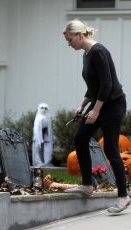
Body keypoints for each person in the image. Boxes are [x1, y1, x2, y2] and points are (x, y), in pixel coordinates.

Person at [63, 19, 130, 213]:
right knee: (80, 137)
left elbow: (107, 85)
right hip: (99, 102)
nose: (69, 44)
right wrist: (82, 105)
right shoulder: (86, 54)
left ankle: (123, 197)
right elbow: (93, 85)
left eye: (70, 40)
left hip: (113, 105)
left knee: (110, 149)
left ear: (80, 35)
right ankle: (87, 185)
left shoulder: (99, 52)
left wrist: (96, 110)